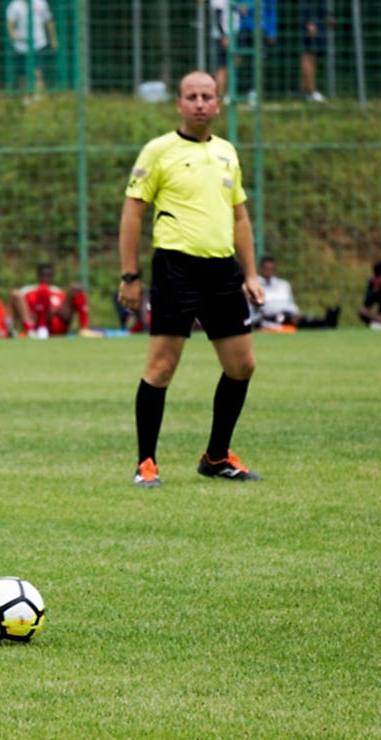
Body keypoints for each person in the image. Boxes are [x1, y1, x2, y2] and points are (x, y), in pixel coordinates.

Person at [118, 70, 265, 488]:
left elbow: (239, 216)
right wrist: (130, 275)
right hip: (175, 268)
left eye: (207, 96)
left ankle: (216, 456)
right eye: (191, 96)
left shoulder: (227, 152)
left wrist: (250, 273)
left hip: (222, 271)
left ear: (219, 104)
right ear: (179, 104)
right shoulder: (158, 151)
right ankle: (146, 462)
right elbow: (132, 213)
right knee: (162, 366)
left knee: (242, 366)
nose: (200, 103)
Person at [254, 255, 339, 331]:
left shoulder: (283, 284)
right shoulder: (256, 285)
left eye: (271, 269)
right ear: (261, 269)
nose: (269, 272)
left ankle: (327, 321)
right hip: (273, 317)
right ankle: (326, 323)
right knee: (286, 319)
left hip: (290, 314)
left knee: (306, 319)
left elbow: (290, 303)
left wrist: (296, 313)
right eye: (266, 269)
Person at [9, 263, 89, 338]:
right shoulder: (28, 291)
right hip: (35, 324)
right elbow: (23, 312)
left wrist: (52, 311)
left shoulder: (58, 292)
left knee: (75, 288)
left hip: (57, 325)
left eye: (49, 276)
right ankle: (28, 330)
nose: (46, 278)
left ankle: (84, 328)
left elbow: (64, 315)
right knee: (16, 293)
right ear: (38, 276)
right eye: (43, 276)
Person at [6, 0, 58, 96]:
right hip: (21, 46)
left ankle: (39, 98)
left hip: (39, 43)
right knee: (23, 75)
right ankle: (25, 99)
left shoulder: (41, 3)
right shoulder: (14, 5)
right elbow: (10, 24)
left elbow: (49, 22)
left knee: (38, 72)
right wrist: (13, 35)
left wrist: (53, 39)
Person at [300, 1, 333, 102]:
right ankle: (310, 91)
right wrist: (309, 21)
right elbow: (305, 3)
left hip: (318, 21)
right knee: (308, 55)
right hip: (311, 23)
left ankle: (307, 90)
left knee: (313, 56)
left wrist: (328, 15)